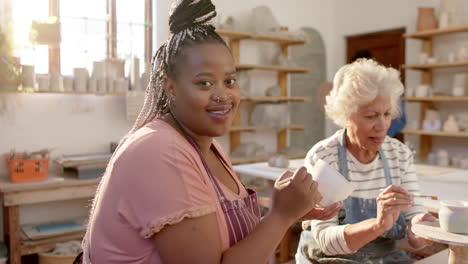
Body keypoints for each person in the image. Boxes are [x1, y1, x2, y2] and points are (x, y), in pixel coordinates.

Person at [76, 1, 342, 263]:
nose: (223, 95)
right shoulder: (160, 150)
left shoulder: (208, 146)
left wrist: (288, 211)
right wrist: (280, 216)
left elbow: (218, 240)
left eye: (229, 81)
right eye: (204, 83)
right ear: (170, 88)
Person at [296, 59, 436, 264]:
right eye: (371, 116)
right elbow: (325, 240)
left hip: (383, 257)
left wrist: (421, 227)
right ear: (345, 116)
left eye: (387, 114)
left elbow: (412, 216)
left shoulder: (400, 154)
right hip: (329, 258)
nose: (382, 125)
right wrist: (378, 225)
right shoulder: (324, 157)